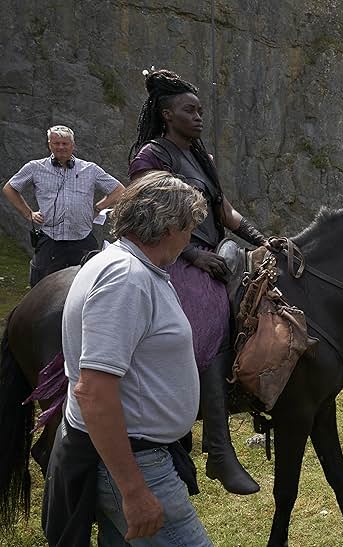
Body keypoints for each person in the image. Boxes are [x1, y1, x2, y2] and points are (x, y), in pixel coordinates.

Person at [43, 172, 211, 546]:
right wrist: (133, 490)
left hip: (137, 455)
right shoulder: (126, 279)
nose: (189, 240)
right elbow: (94, 391)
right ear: (169, 227)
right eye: (189, 229)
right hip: (135, 464)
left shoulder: (130, 267)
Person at [128, 69, 268, 495]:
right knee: (209, 316)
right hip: (168, 256)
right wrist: (192, 254)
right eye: (190, 110)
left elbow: (223, 210)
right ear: (167, 115)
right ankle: (220, 450)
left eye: (201, 110)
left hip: (211, 252)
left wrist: (263, 239)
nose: (199, 116)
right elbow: (148, 213)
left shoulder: (199, 157)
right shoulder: (151, 157)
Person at [3, 125, 125, 286]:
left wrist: (99, 207)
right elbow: (10, 188)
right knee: (39, 286)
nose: (61, 147)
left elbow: (119, 189)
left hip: (82, 238)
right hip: (51, 238)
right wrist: (29, 214)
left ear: (72, 145)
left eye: (65, 143)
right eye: (56, 143)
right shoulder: (35, 167)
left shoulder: (90, 169)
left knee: (91, 285)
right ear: (49, 144)